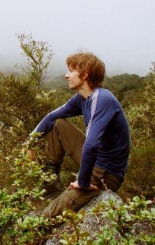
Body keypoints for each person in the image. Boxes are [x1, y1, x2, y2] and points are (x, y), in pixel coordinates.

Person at [29, 52, 131, 218]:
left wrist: (83, 183)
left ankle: (75, 192)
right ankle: (51, 183)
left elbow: (91, 144)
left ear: (85, 75)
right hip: (95, 160)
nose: (66, 75)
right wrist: (28, 143)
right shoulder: (82, 99)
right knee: (58, 124)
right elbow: (51, 117)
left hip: (105, 175)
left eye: (71, 71)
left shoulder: (102, 99)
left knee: (45, 217)